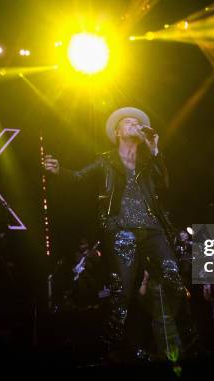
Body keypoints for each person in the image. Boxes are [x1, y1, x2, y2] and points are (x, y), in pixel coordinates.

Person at [44, 107, 189, 362]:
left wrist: (155, 149)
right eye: (129, 122)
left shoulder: (147, 162)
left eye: (138, 122)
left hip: (153, 229)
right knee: (122, 292)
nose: (135, 124)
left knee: (174, 278)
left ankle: (163, 338)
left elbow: (164, 184)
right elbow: (79, 177)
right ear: (118, 132)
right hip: (122, 231)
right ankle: (115, 348)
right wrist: (59, 171)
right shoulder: (105, 160)